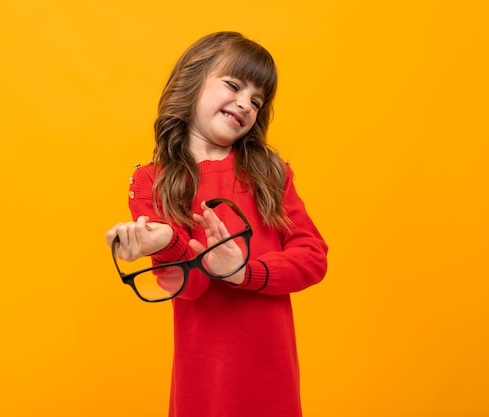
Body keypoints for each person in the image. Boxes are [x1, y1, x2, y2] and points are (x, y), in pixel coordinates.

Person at [105, 31, 328, 417]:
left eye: (257, 100)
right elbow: (186, 289)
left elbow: (312, 257)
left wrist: (244, 272)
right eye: (233, 85)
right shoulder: (151, 182)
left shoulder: (271, 173)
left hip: (271, 377)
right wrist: (162, 245)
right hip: (204, 381)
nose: (245, 104)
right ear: (193, 80)